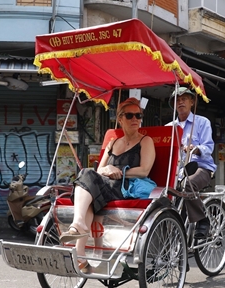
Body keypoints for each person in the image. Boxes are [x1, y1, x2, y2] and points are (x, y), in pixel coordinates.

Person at [59, 97, 156, 271]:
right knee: (87, 177)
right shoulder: (112, 143)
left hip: (125, 188)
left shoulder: (145, 141)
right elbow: (100, 170)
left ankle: (78, 226)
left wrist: (119, 171)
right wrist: (108, 169)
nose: (135, 119)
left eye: (138, 115)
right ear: (120, 119)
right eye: (129, 115)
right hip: (105, 187)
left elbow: (144, 171)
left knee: (86, 176)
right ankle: (80, 253)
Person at [168, 87, 216, 238]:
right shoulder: (169, 128)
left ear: (192, 101)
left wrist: (195, 149)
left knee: (187, 184)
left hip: (201, 167)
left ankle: (202, 220)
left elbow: (209, 147)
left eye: (184, 98)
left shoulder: (202, 122)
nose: (180, 102)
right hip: (178, 171)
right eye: (178, 100)